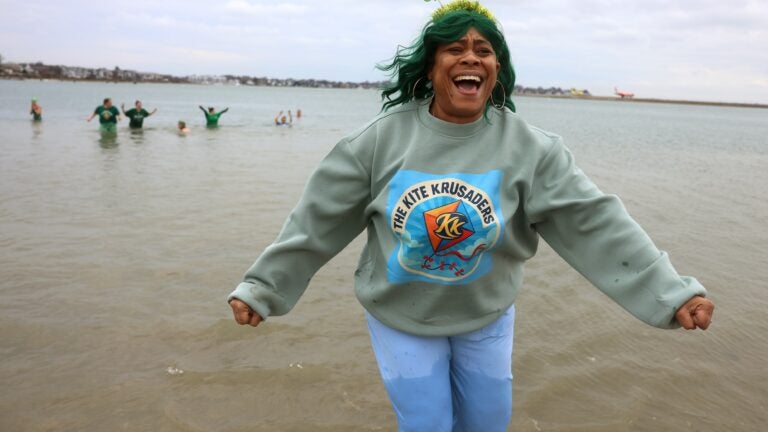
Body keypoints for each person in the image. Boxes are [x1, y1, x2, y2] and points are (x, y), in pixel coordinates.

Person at [227, 1, 714, 431]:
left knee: (488, 421)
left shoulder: (532, 149)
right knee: (427, 423)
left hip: (486, 314)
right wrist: (264, 287)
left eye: (483, 50)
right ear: (430, 66)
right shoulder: (376, 143)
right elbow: (317, 221)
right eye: (454, 48)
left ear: (496, 69)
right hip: (400, 315)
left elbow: (594, 222)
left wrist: (671, 293)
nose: (470, 58)